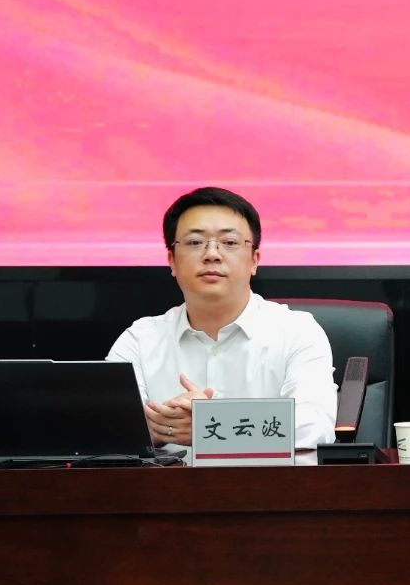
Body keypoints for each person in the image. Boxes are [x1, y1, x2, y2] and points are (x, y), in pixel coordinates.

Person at [107, 187, 337, 453]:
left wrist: (211, 425)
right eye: (195, 242)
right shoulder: (139, 340)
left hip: (268, 480)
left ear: (254, 260)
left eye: (229, 242)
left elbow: (315, 427)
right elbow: (103, 429)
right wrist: (153, 430)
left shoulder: (297, 331)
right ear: (172, 261)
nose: (212, 254)